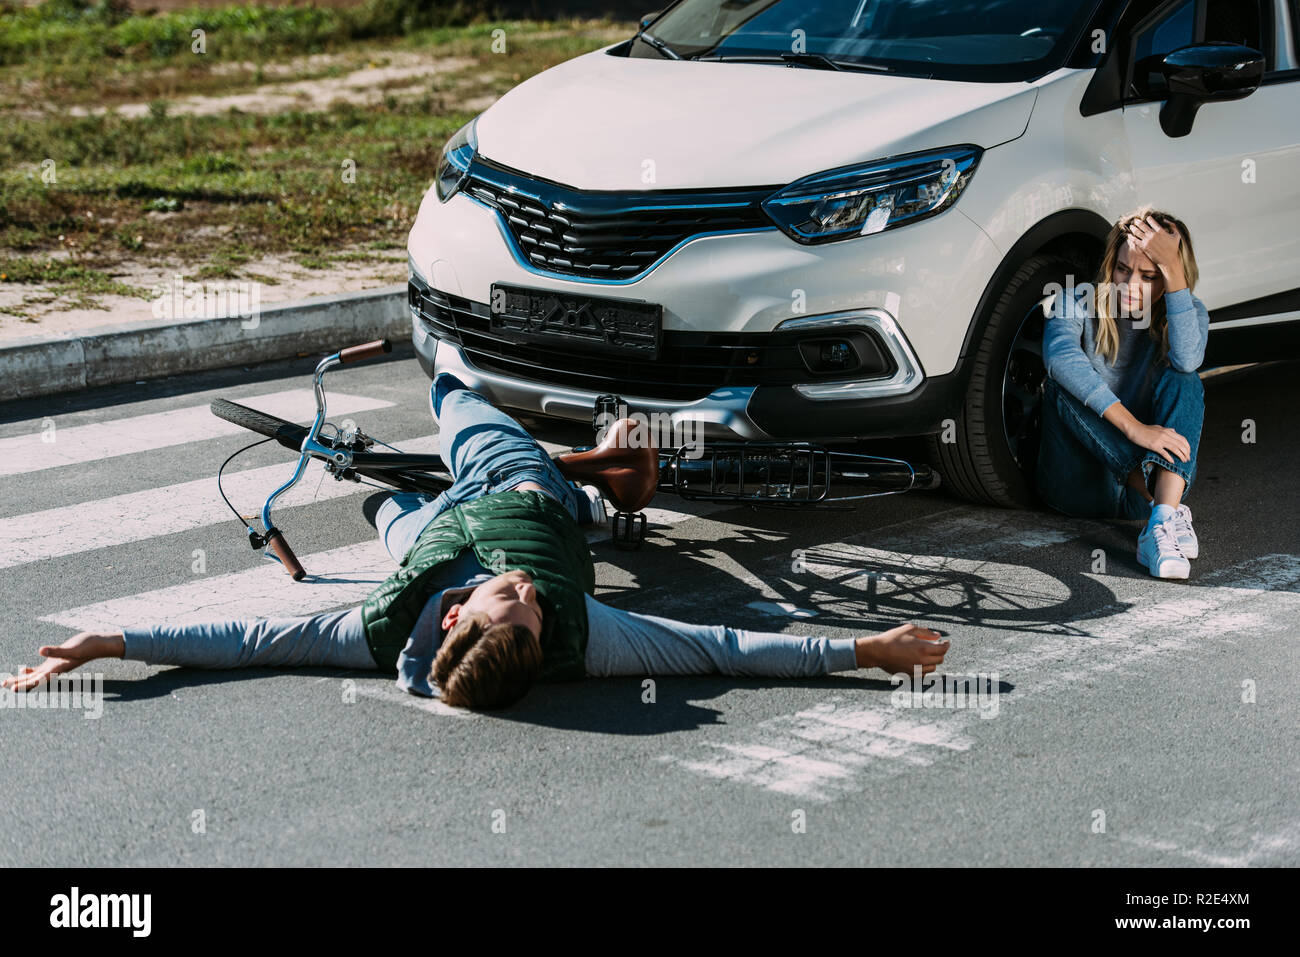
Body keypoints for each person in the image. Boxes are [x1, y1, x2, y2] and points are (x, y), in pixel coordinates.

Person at [3, 375, 951, 709]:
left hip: (443, 527)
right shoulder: (582, 636)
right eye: (535, 612)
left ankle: (455, 381)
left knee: (411, 476)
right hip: (524, 498)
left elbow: (245, 640)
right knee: (513, 471)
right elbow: (726, 650)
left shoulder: (380, 631)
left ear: (452, 614)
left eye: (516, 601)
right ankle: (610, 477)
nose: (531, 599)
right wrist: (866, 647)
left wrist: (111, 641)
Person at [1036, 206, 1210, 579]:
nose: (1130, 285)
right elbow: (1060, 358)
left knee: (1185, 377)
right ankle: (1160, 501)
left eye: (1150, 275)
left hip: (1143, 502)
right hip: (1077, 486)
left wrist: (1175, 274)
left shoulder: (1189, 311)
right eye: (1122, 269)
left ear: (1168, 279)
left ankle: (1162, 521)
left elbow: (1187, 359)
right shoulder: (1074, 300)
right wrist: (1134, 428)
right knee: (1061, 384)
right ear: (1109, 264)